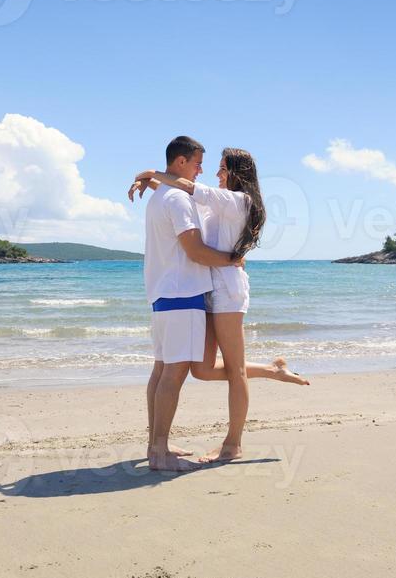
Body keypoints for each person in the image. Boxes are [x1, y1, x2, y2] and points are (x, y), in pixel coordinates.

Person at [130, 147, 310, 464]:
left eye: (222, 169)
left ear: (236, 173)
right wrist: (155, 186)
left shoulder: (238, 201)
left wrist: (149, 173)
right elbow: (183, 203)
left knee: (235, 369)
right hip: (208, 289)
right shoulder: (219, 203)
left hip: (227, 289)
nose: (216, 174)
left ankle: (232, 444)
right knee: (201, 369)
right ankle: (272, 370)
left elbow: (186, 187)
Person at [140, 136, 245, 473]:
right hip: (182, 294)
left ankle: (156, 443)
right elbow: (196, 251)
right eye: (198, 162)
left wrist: (151, 177)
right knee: (174, 372)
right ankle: (159, 452)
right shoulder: (178, 200)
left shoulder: (159, 197)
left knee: (161, 369)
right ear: (181, 162)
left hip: (161, 293)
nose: (201, 170)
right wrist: (232, 259)